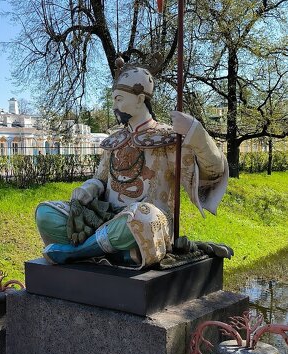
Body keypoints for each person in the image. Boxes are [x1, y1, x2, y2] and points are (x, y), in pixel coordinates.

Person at [36, 62, 229, 269]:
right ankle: (116, 252)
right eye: (113, 100)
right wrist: (89, 188)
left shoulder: (167, 139)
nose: (114, 107)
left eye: (119, 99)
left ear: (139, 99)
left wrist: (196, 134)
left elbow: (213, 172)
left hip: (147, 223)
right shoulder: (115, 140)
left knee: (141, 215)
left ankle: (76, 253)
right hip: (105, 218)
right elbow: (101, 179)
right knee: (45, 213)